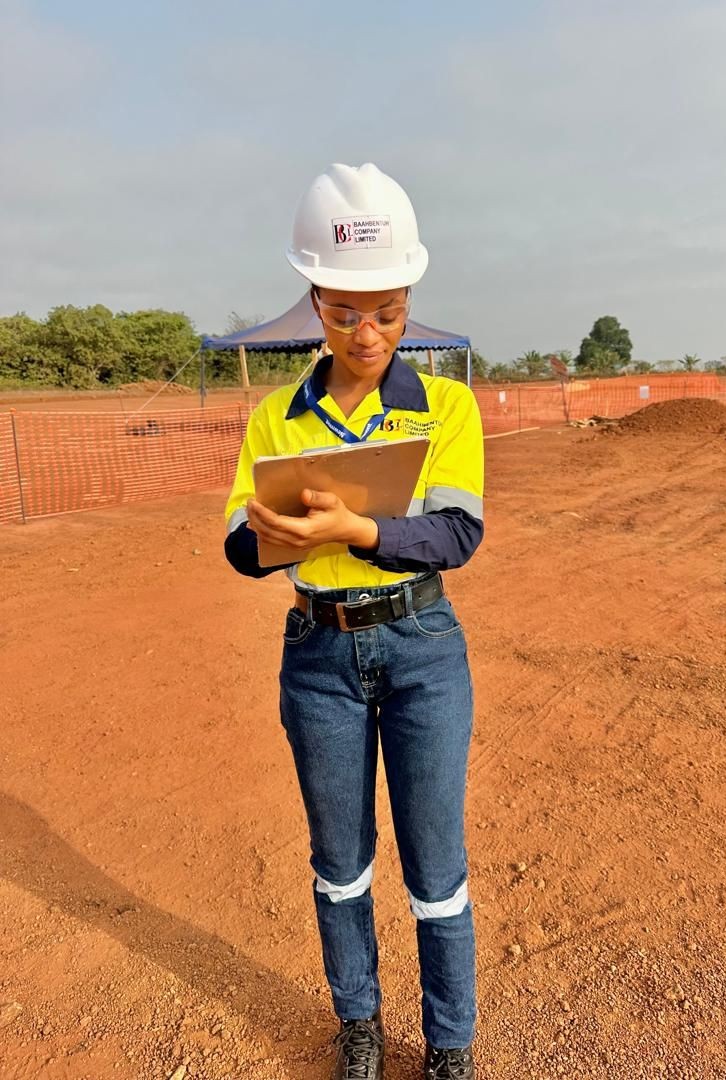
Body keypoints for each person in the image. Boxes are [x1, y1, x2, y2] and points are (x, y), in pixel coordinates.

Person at [224, 163, 483, 1080]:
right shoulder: (275, 419)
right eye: (343, 313)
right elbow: (239, 549)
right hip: (318, 654)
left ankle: (449, 1043)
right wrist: (276, 539)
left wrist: (356, 529)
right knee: (339, 861)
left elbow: (454, 532)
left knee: (436, 865)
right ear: (314, 300)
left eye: (387, 312)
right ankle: (359, 1023)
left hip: (422, 649)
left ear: (409, 300)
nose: (366, 333)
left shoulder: (446, 407)